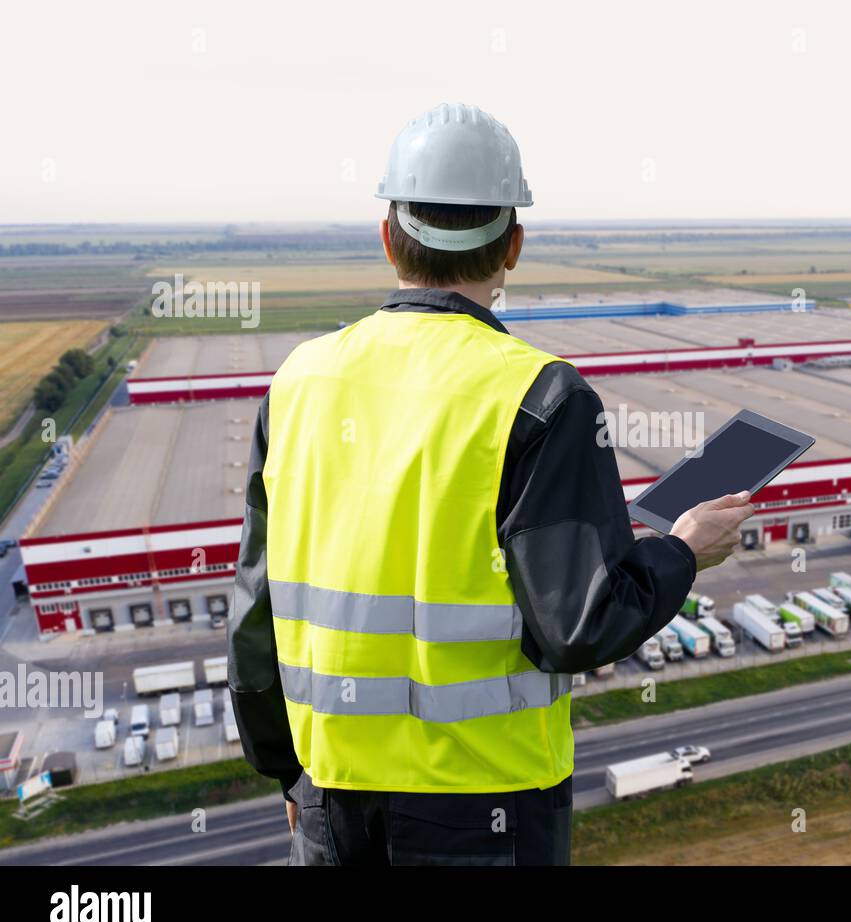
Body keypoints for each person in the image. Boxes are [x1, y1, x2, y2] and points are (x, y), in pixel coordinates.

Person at [227, 103, 753, 866]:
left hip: (328, 796)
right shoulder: (543, 398)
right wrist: (682, 552)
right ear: (513, 245)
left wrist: (287, 771)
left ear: (387, 237)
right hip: (487, 808)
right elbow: (582, 624)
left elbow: (255, 612)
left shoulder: (298, 383)